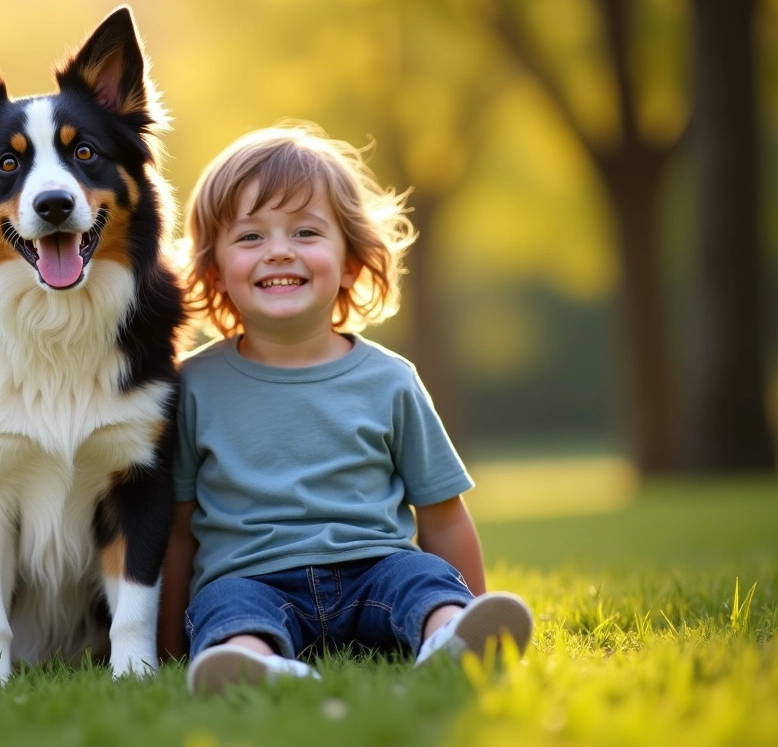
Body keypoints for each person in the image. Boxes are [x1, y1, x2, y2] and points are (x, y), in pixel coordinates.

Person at [158, 124, 533, 696]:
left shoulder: (390, 381)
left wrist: (471, 602)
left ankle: (453, 636)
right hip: (250, 578)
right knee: (228, 607)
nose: (279, 250)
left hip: (373, 569)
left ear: (352, 262)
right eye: (251, 237)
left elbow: (443, 515)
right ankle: (250, 662)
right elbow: (180, 529)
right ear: (213, 273)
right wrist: (167, 648)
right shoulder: (193, 387)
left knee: (423, 580)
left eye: (306, 232)